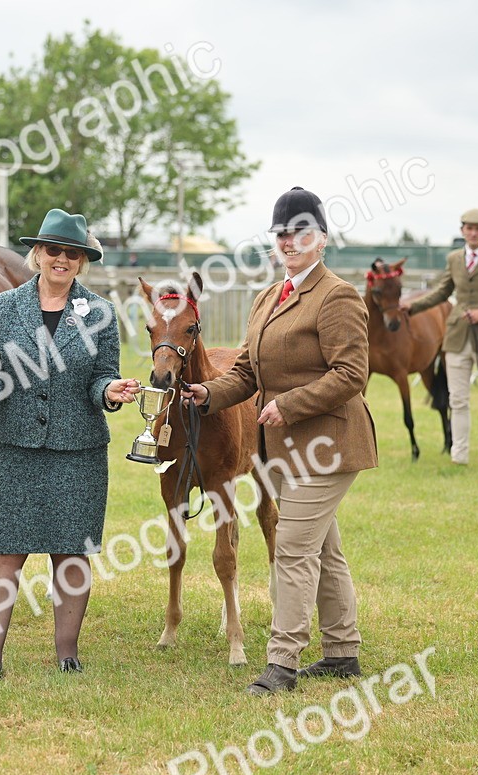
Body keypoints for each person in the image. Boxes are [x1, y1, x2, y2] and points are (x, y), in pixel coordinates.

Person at [181, 187, 378, 695]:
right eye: (283, 234)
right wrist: (206, 393)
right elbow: (246, 372)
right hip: (284, 449)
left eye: (301, 233)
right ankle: (342, 653)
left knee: (292, 548)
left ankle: (282, 663)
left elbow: (352, 373)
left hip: (329, 444)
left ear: (322, 240)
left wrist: (289, 404)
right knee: (324, 549)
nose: (290, 242)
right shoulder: (269, 296)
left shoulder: (338, 296)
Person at [0, 209, 139, 680]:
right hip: (13, 447)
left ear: (83, 261)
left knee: (71, 554)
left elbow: (102, 375)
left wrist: (109, 391)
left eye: (72, 253)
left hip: (78, 451)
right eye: (54, 251)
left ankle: (67, 652)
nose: (62, 259)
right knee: (2, 554)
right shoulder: (2, 307)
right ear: (38, 254)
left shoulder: (102, 313)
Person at [400, 209, 478, 469]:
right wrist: (412, 308)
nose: (473, 232)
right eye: (469, 228)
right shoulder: (455, 258)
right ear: (462, 230)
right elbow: (442, 291)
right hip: (456, 337)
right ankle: (459, 455)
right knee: (457, 399)